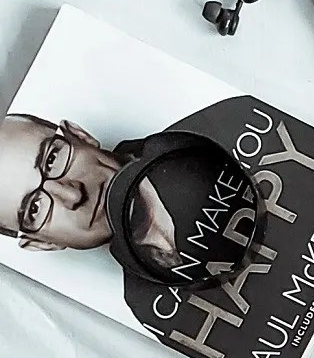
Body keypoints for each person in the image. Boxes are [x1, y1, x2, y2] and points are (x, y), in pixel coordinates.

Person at [0, 113, 180, 270]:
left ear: (79, 136)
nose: (74, 195)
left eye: (51, 159)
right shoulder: (138, 296)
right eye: (34, 209)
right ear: (43, 243)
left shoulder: (189, 138)